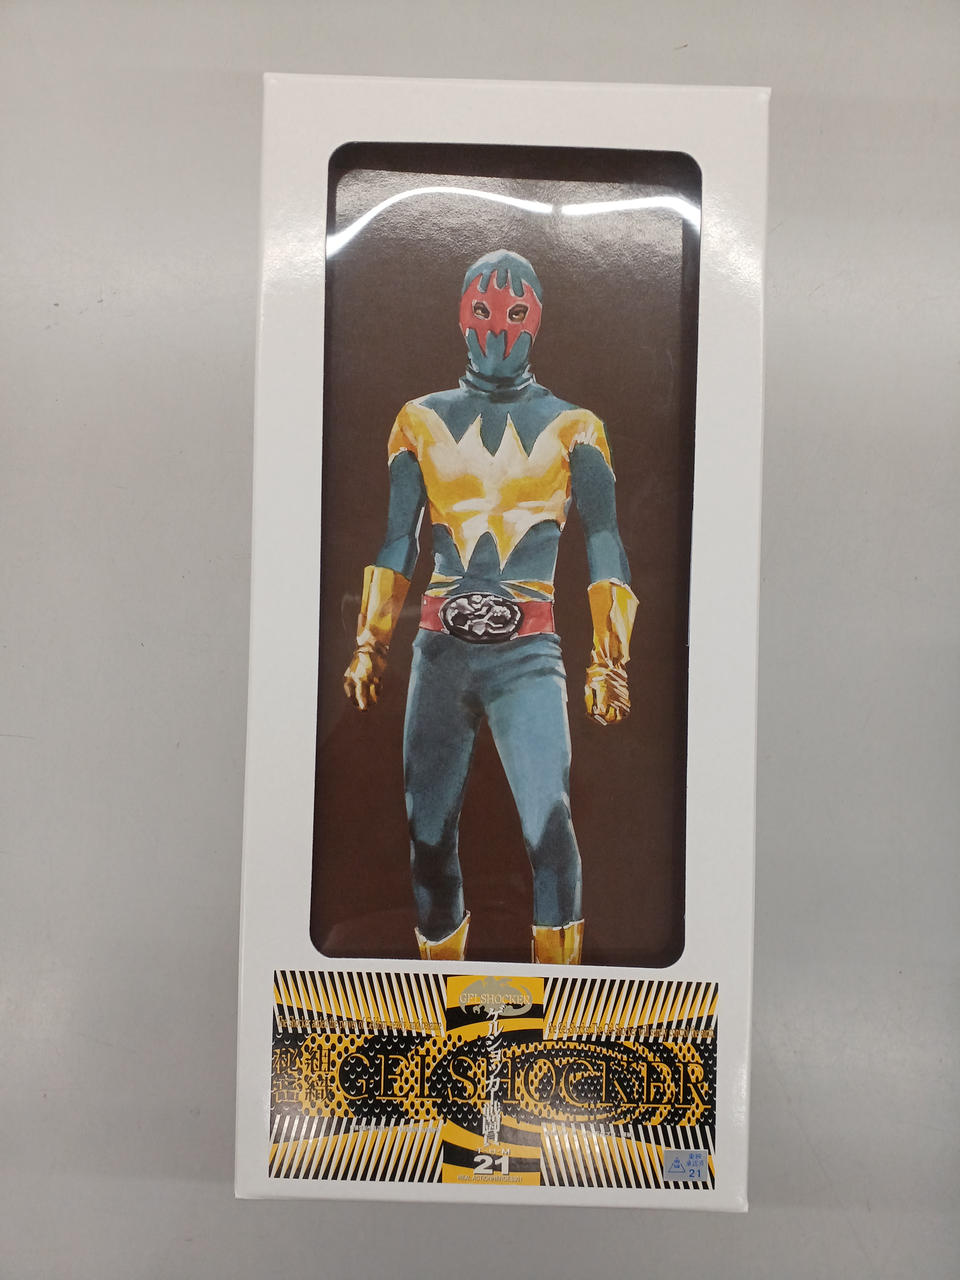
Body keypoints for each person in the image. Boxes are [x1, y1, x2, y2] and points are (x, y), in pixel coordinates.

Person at [344, 249, 637, 964]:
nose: (498, 331)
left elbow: (604, 537)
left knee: (550, 830)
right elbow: (399, 538)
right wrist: (371, 643)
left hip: (527, 655)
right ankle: (445, 1004)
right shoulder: (418, 420)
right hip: (440, 649)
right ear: (460, 315)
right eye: (483, 311)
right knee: (427, 838)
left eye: (514, 313)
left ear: (536, 322)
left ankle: (555, 1009)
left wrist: (611, 660)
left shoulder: (576, 427)